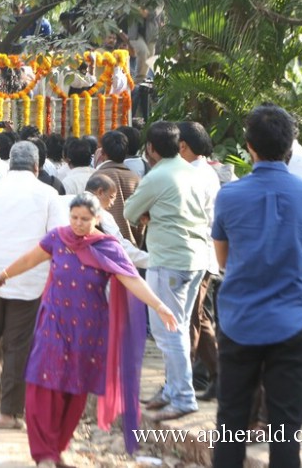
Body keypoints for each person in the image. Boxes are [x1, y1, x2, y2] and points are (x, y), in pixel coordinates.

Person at [0, 193, 175, 468]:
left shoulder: (107, 247)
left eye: (85, 219)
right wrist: (1, 277)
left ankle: (56, 450)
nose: (78, 224)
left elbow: (131, 279)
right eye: (74, 218)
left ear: (97, 219)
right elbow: (28, 260)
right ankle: (44, 454)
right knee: (44, 384)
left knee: (75, 389)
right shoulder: (58, 238)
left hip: (89, 331)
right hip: (54, 323)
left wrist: (158, 306)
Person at [211, 105, 302, 467]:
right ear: (291, 147)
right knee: (286, 432)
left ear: (249, 146)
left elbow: (223, 260)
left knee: (230, 422)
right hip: (292, 322)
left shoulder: (229, 196)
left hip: (238, 320)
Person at [0, 141, 65, 430]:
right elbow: (56, 239)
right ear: (37, 166)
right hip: (28, 279)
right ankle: (8, 412)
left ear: (8, 163)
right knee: (18, 344)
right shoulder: (48, 194)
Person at [123, 121, 210, 421]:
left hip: (169, 259)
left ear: (150, 148)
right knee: (179, 328)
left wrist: (150, 214)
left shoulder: (157, 176)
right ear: (180, 144)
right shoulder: (193, 171)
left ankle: (183, 395)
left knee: (167, 331)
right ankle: (173, 389)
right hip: (197, 259)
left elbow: (130, 212)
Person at [177, 121, 223, 401]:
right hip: (200, 252)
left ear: (182, 146)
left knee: (190, 318)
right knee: (199, 317)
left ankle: (180, 383)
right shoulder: (202, 171)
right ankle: (219, 376)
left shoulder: (193, 174)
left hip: (196, 252)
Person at [90, 130, 141, 244]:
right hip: (134, 248)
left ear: (102, 152)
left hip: (105, 247)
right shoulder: (135, 178)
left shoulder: (97, 178)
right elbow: (142, 219)